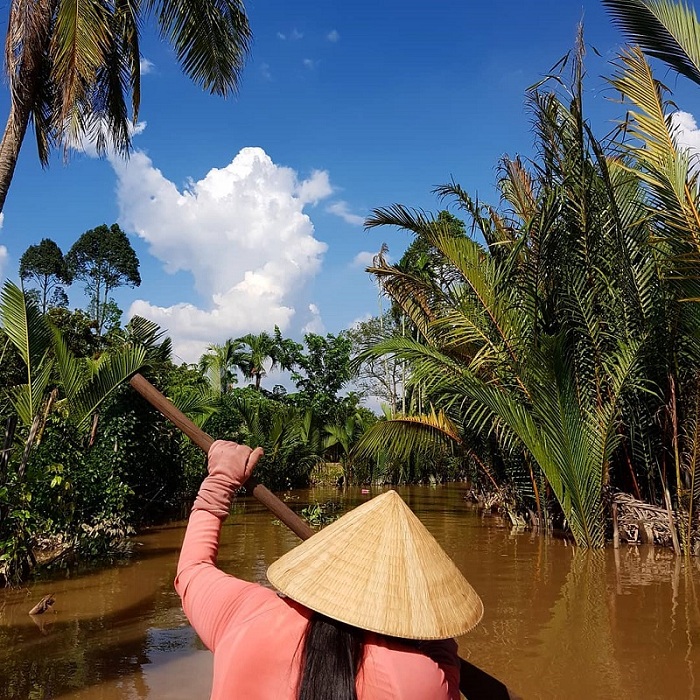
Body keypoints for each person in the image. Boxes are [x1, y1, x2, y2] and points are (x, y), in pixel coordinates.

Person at [175, 440, 485, 700]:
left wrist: (221, 479)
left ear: (323, 563)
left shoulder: (245, 615)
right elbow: (442, 642)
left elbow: (192, 568)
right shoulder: (419, 680)